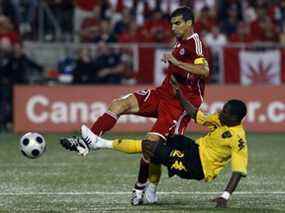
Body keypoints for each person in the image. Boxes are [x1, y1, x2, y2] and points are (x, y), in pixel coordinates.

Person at [60, 6, 209, 205]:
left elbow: (204, 70)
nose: (173, 27)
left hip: (181, 104)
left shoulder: (196, 43)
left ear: (189, 23)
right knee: (119, 104)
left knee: (152, 145)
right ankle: (89, 142)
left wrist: (176, 62)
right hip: (163, 93)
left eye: (178, 23)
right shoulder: (181, 41)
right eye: (172, 23)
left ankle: (145, 189)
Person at [60, 76, 248, 208]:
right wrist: (179, 94)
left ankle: (99, 143)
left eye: (225, 113)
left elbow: (238, 171)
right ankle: (151, 190)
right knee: (163, 140)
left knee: (150, 146)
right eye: (222, 111)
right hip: (194, 148)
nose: (221, 114)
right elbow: (195, 115)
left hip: (197, 166)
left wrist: (225, 196)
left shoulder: (238, 139)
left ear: (236, 118)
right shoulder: (220, 119)